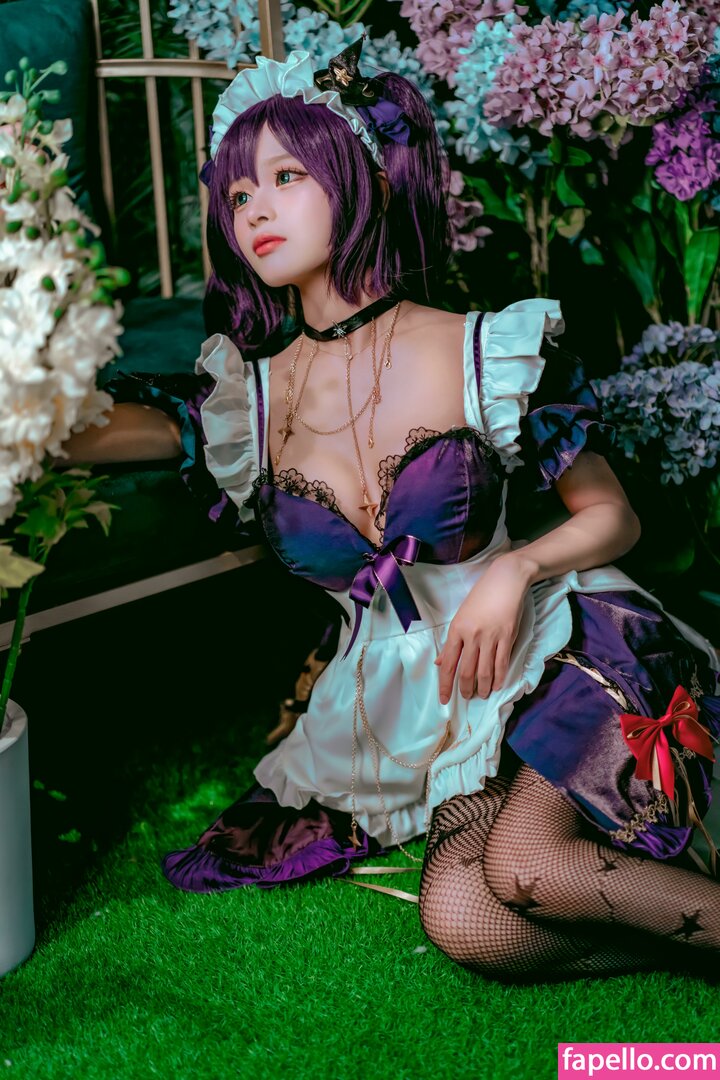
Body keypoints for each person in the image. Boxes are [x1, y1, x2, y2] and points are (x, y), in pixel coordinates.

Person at [62, 39, 720, 981]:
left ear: (362, 178)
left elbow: (614, 517)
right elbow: (70, 428)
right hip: (434, 718)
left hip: (557, 640)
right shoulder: (244, 400)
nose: (255, 210)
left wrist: (516, 567)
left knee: (527, 866)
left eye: (286, 176)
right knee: (466, 919)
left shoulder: (485, 349)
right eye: (238, 194)